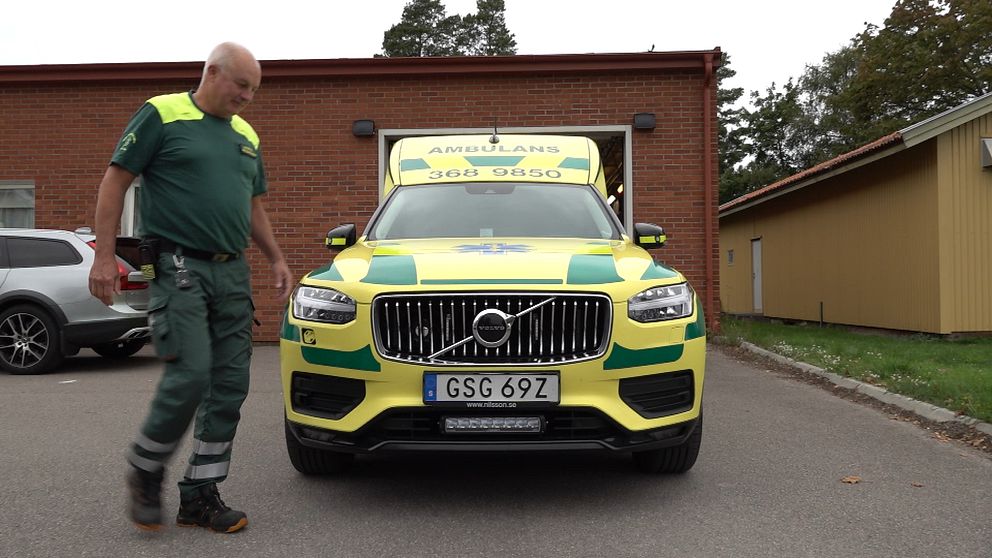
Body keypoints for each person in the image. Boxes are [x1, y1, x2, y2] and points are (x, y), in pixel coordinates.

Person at [88, 42, 293, 534]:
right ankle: (146, 466)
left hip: (231, 272)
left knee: (229, 387)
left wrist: (276, 257)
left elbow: (252, 206)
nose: (247, 97)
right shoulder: (162, 113)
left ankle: (200, 495)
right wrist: (102, 256)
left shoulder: (245, 134)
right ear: (212, 72)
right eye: (241, 85)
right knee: (191, 373)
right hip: (179, 265)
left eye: (254, 89)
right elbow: (115, 181)